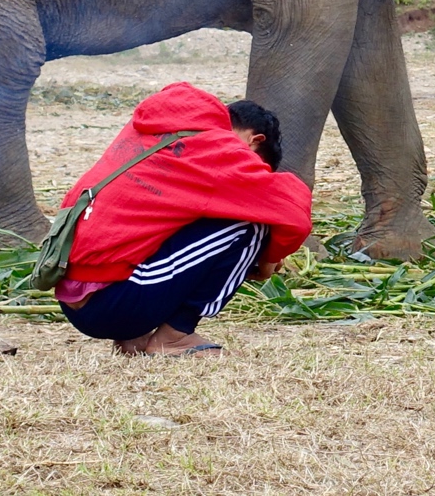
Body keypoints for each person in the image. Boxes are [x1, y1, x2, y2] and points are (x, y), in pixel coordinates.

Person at [54, 82, 312, 357]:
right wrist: (269, 256)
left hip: (73, 299)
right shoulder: (217, 149)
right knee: (254, 224)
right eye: (257, 164)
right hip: (112, 306)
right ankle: (174, 337)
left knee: (172, 218)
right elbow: (293, 211)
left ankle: (133, 337)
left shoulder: (155, 130)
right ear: (254, 140)